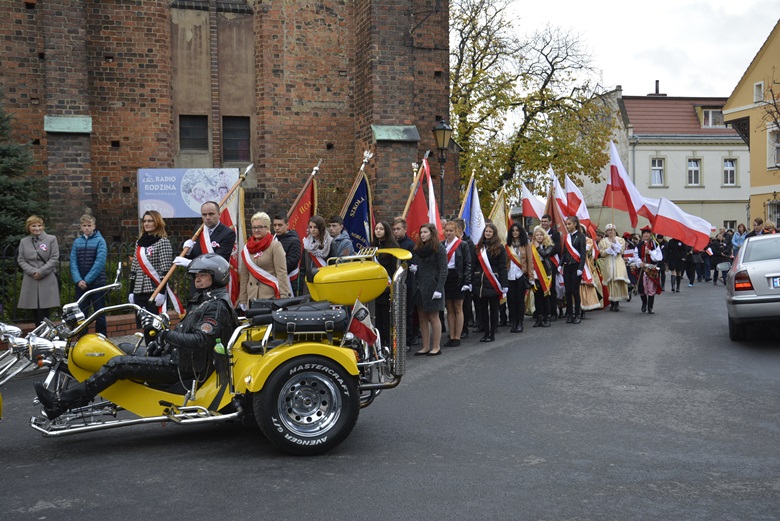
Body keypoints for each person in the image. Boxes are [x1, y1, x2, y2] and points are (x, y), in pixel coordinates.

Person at [34, 254, 239, 420]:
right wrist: (160, 338)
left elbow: (200, 341)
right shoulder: (204, 301)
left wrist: (165, 334)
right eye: (196, 275)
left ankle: (61, 403)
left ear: (216, 277)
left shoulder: (216, 307)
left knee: (118, 364)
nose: (197, 279)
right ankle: (89, 394)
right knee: (124, 347)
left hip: (183, 369)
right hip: (178, 358)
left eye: (203, 275)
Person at [129, 211, 174, 338]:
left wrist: (161, 292)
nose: (146, 223)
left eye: (150, 221)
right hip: (139, 291)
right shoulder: (140, 242)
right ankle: (149, 353)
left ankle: (157, 354)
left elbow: (165, 270)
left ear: (157, 222)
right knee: (145, 327)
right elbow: (134, 269)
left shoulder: (162, 242)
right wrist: (131, 291)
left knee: (155, 328)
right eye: (145, 221)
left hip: (154, 291)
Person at [238, 212, 291, 310]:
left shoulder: (275, 246)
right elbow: (244, 276)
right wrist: (243, 299)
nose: (256, 230)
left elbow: (281, 272)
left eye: (260, 227)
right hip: (252, 297)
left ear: (267, 228)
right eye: (254, 227)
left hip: (270, 295)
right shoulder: (247, 248)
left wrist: (284, 297)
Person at [411, 223, 447, 356]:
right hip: (420, 287)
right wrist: (414, 269)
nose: (422, 235)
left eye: (425, 232)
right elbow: (416, 263)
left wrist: (439, 288)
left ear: (431, 233)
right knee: (422, 317)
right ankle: (425, 346)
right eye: (421, 232)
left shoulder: (439, 248)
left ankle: (436, 346)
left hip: (433, 286)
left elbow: (444, 269)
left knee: (434, 317)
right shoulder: (418, 249)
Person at [69, 212, 108, 336]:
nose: (87, 228)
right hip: (80, 284)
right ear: (81, 227)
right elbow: (73, 262)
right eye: (84, 225)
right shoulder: (77, 242)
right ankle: (82, 338)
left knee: (99, 313)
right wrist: (78, 280)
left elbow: (99, 262)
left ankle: (101, 337)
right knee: (81, 314)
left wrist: (87, 280)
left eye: (89, 225)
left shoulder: (100, 241)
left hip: (97, 283)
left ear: (94, 226)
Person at [17, 215, 60, 326]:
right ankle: (37, 338)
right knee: (35, 312)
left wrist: (41, 271)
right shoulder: (24, 241)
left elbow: (54, 258)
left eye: (39, 225)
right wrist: (33, 272)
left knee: (44, 313)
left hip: (47, 278)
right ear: (29, 227)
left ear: (43, 226)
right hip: (31, 279)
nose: (37, 228)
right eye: (33, 226)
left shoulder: (51, 239)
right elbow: (21, 260)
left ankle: (46, 339)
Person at [473, 223, 508, 341]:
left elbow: (502, 266)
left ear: (494, 234)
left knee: (493, 309)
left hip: (493, 281)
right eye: (486, 231)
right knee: (482, 309)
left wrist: (504, 284)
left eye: (490, 232)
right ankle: (485, 332)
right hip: (480, 282)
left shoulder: (499, 247)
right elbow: (474, 264)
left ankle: (492, 333)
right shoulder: (479, 247)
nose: (487, 233)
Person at [175, 200, 237, 266]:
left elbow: (219, 261)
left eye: (211, 214)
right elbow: (193, 256)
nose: (207, 218)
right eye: (204, 215)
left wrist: (191, 263)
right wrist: (188, 252)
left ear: (219, 214)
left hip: (215, 275)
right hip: (197, 274)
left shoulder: (228, 233)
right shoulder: (198, 229)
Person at [441, 220, 472, 346]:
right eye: (446, 230)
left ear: (456, 231)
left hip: (458, 277)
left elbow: (467, 264)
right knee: (449, 308)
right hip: (446, 277)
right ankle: (451, 335)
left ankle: (457, 336)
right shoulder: (442, 245)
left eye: (451, 231)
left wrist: (467, 281)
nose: (448, 233)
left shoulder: (462, 245)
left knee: (458, 307)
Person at [371, 221, 400, 347]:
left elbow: (395, 268)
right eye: (376, 228)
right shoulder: (372, 246)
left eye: (381, 229)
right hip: (375, 288)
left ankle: (390, 344)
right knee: (377, 318)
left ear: (386, 230)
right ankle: (379, 344)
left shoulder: (392, 246)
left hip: (387, 288)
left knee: (386, 318)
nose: (378, 231)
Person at [392, 217, 418, 348]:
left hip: (407, 282)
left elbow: (412, 262)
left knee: (407, 311)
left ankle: (409, 337)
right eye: (394, 229)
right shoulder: (393, 244)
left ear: (405, 229)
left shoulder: (409, 244)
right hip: (394, 282)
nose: (396, 232)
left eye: (398, 229)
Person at [505, 223, 533, 333]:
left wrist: (531, 277)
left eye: (517, 230)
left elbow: (530, 261)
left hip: (521, 275)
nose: (515, 232)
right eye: (513, 231)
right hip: (509, 275)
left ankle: (520, 322)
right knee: (511, 300)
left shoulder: (526, 244)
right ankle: (513, 321)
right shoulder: (507, 246)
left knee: (520, 300)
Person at [597, 224, 629, 310]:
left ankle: (617, 302)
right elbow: (602, 254)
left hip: (618, 262)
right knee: (609, 281)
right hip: (608, 262)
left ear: (615, 231)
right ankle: (612, 301)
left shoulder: (620, 240)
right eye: (609, 230)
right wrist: (609, 249)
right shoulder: (603, 241)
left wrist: (616, 244)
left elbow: (621, 251)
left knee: (617, 281)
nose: (611, 231)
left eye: (612, 230)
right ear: (606, 232)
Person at [561, 216, 586, 324]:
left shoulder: (581, 236)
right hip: (567, 266)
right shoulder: (567, 237)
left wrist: (581, 268)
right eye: (566, 224)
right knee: (568, 291)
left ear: (575, 224)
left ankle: (578, 314)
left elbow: (583, 254)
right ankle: (570, 314)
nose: (567, 226)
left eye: (569, 224)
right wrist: (560, 264)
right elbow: (564, 253)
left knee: (575, 291)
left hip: (576, 266)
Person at [302, 215, 338, 286]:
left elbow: (333, 265)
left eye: (315, 227)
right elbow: (303, 267)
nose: (312, 229)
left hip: (324, 281)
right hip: (309, 282)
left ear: (321, 228)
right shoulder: (307, 243)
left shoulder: (330, 243)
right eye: (310, 227)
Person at [272, 214, 302, 296]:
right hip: (273, 279)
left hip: (289, 280)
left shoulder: (294, 241)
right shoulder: (272, 239)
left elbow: (292, 261)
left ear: (287, 225)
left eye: (280, 225)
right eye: (275, 225)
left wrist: (272, 268)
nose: (277, 228)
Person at [530, 226, 554, 328]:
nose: (539, 237)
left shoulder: (548, 245)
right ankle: (539, 318)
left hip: (545, 273)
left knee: (545, 296)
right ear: (534, 237)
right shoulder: (530, 246)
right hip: (535, 274)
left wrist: (538, 247)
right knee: (537, 296)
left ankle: (546, 318)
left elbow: (544, 254)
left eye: (541, 235)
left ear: (544, 236)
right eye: (537, 235)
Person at [540, 214, 561, 322]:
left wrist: (545, 252)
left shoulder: (555, 234)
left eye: (545, 221)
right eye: (542, 221)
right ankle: (543, 312)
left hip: (550, 263)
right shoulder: (538, 233)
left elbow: (557, 248)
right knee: (541, 288)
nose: (543, 223)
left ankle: (553, 312)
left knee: (551, 288)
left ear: (550, 222)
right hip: (540, 264)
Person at [637, 226, 662, 313]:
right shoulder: (639, 245)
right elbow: (635, 255)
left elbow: (659, 257)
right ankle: (644, 303)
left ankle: (650, 307)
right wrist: (639, 262)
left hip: (651, 269)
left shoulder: (654, 244)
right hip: (642, 269)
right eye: (644, 233)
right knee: (641, 288)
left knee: (651, 288)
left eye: (648, 233)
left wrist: (650, 252)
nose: (646, 235)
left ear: (650, 234)